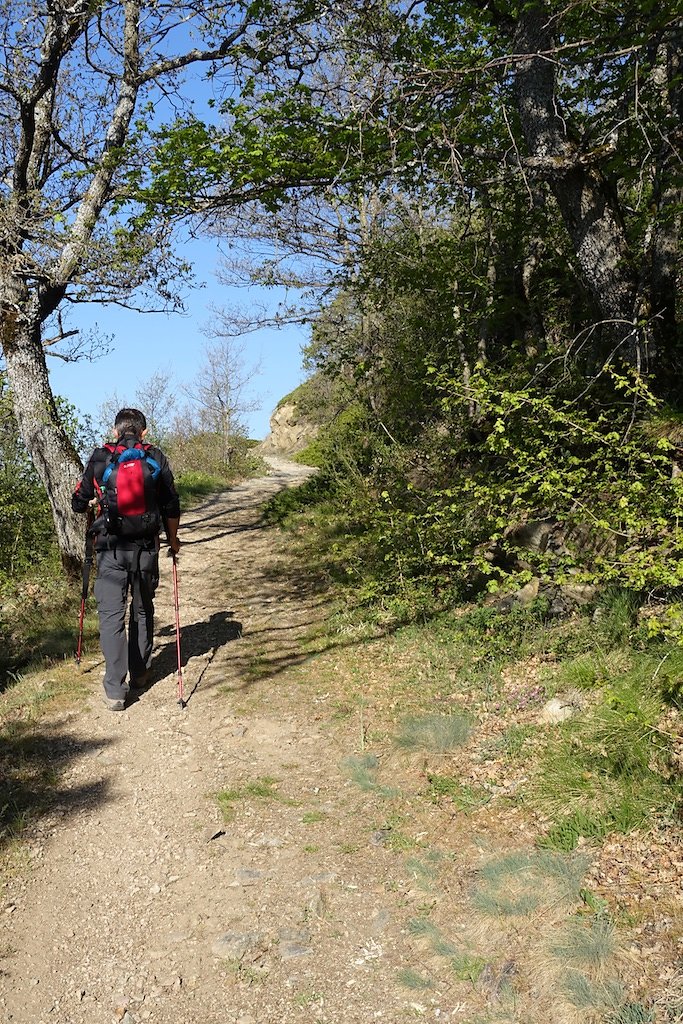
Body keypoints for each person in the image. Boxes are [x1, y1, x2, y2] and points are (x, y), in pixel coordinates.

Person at [72, 408, 180, 711]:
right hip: (145, 547)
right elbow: (171, 504)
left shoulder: (99, 457)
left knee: (111, 616)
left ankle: (115, 690)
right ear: (143, 432)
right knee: (143, 610)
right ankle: (141, 673)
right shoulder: (155, 456)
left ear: (115, 430)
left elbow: (78, 502)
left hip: (110, 548)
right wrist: (173, 541)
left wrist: (91, 499)